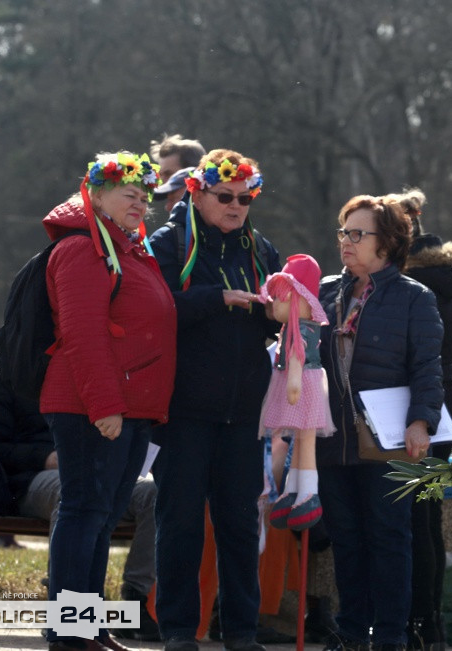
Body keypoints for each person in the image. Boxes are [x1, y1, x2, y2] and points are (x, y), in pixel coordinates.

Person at [40, 151, 176, 651]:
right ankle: (69, 631)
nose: (141, 203)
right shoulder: (82, 250)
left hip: (130, 408)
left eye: (145, 196)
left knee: (102, 515)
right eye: (129, 193)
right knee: (84, 512)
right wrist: (104, 406)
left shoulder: (127, 247)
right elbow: (82, 334)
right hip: (90, 407)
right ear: (95, 194)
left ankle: (89, 626)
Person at [148, 149, 281, 651]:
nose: (236, 206)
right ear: (197, 193)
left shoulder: (259, 247)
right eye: (224, 196)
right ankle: (179, 629)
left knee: (240, 524)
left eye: (246, 198)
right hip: (183, 410)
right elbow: (155, 311)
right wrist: (217, 299)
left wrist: (284, 311)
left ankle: (240, 630)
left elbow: (279, 304)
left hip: (243, 410)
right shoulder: (168, 243)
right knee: (180, 521)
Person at [317, 195, 444, 651]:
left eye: (357, 234)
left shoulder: (415, 297)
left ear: (387, 243)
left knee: (389, 539)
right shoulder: (328, 291)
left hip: (390, 440)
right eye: (342, 232)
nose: (345, 243)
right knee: (346, 541)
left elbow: (428, 368)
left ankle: (390, 636)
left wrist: (421, 422)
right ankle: (350, 632)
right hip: (334, 439)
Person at [0, 356, 161, 640]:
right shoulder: (1, 378)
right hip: (27, 481)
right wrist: (43, 457)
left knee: (152, 494)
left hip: (94, 471)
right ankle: (68, 607)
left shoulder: (85, 372)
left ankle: (135, 599)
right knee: (74, 492)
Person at [390, 187, 452, 651]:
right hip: (442, 412)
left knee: (414, 521)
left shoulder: (416, 289)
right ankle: (429, 623)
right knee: (427, 518)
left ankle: (417, 622)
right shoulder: (442, 278)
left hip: (417, 412)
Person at [259, 253, 334, 531]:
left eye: (280, 297)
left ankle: (308, 492)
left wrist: (292, 386)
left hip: (302, 388)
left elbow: (296, 360)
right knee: (298, 440)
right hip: (301, 388)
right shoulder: (292, 327)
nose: (274, 304)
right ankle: (293, 488)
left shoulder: (299, 330)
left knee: (306, 442)